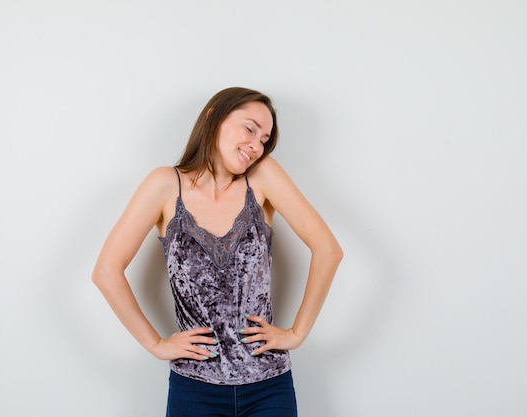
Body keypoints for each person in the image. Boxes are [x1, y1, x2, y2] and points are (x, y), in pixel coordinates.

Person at [92, 87, 343, 416]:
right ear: (213, 117)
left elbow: (328, 250)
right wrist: (156, 344)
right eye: (250, 128)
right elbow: (106, 271)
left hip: (269, 386)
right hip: (194, 389)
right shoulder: (165, 185)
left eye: (265, 140)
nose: (256, 146)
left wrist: (297, 334)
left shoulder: (264, 177)